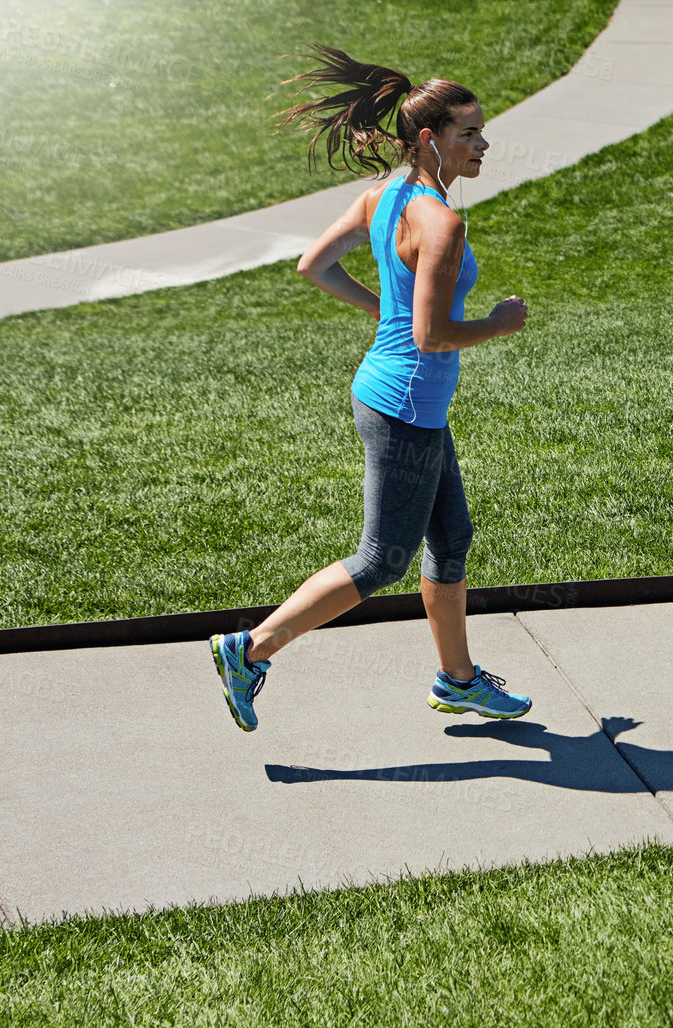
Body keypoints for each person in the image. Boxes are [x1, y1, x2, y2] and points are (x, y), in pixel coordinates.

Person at [209, 44, 532, 732]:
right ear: (429, 139)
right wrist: (499, 324)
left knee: (452, 537)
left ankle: (459, 680)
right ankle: (250, 650)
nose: (483, 143)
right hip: (408, 401)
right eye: (468, 132)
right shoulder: (441, 221)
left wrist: (380, 310)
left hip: (398, 394)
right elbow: (432, 337)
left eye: (481, 130)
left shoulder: (381, 197)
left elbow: (314, 266)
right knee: (381, 558)